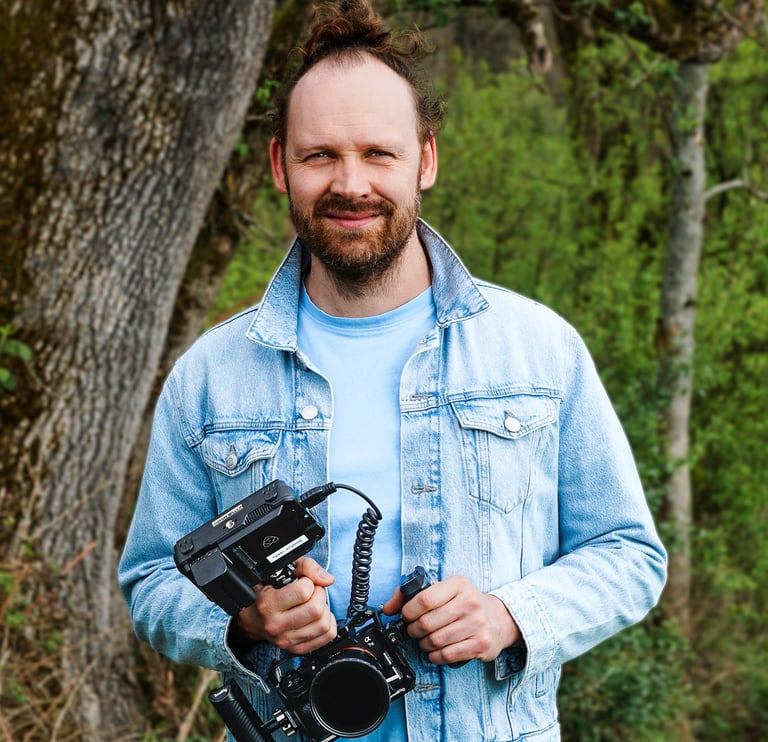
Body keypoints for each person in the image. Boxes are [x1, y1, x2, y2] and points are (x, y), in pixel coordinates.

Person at [118, 1, 667, 740]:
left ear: (426, 160)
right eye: (320, 156)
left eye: (379, 153)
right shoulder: (210, 376)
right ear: (281, 165)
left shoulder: (540, 350)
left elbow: (629, 556)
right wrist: (245, 620)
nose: (351, 183)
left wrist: (510, 616)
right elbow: (151, 581)